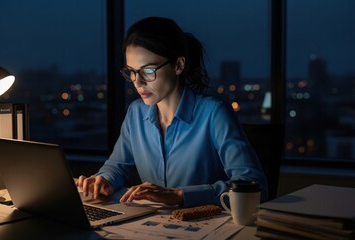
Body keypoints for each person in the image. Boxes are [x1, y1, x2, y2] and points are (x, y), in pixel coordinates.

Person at [77, 17, 268, 207]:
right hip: (152, 226)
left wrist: (180, 195)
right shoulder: (136, 113)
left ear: (178, 65)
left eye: (148, 71)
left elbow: (255, 185)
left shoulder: (213, 112)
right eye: (131, 72)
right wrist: (103, 180)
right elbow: (116, 167)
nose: (138, 82)